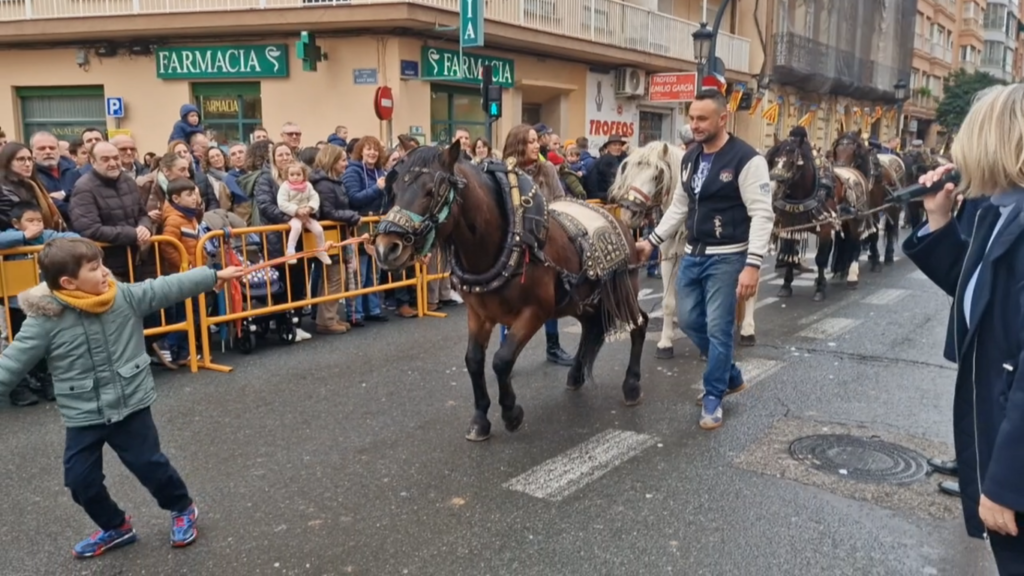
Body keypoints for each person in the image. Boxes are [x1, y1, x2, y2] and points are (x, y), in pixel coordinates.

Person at [0, 237, 243, 558]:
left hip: (131, 404)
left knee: (150, 465)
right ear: (68, 282)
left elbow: (165, 287)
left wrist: (212, 276)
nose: (105, 272)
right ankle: (115, 527)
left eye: (101, 264)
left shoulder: (123, 296)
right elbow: (11, 363)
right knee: (80, 481)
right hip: (84, 414)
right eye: (94, 268)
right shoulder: (45, 319)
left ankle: (182, 507)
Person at [903, 84, 1024, 575]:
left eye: (967, 139)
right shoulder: (999, 211)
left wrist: (1008, 483)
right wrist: (938, 219)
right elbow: (976, 290)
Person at [635, 89, 774, 430]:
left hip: (728, 257)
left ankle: (713, 396)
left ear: (722, 119)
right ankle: (731, 374)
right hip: (693, 255)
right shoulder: (691, 158)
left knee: (718, 328)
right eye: (692, 118)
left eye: (702, 119)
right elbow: (679, 207)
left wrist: (752, 264)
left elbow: (762, 214)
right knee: (687, 319)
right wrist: (652, 242)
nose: (694, 125)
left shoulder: (747, 159)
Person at [277, 161, 331, 266]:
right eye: (292, 174)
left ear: (304, 175)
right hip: (292, 215)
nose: (295, 177)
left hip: (306, 214)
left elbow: (315, 198)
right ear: (287, 175)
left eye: (298, 174)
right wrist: (296, 210)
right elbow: (282, 203)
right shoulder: (285, 187)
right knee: (296, 227)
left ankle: (321, 250)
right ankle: (290, 251)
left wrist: (310, 208)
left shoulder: (308, 186)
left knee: (319, 229)